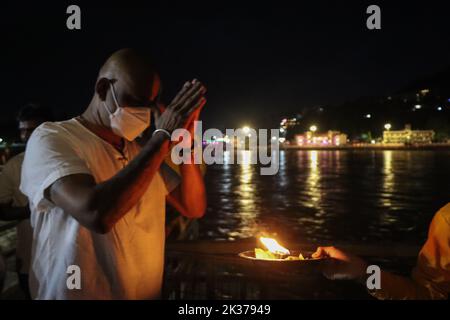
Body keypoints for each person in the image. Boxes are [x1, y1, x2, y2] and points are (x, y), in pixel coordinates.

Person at [20, 48, 207, 300]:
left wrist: (186, 142)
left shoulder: (138, 152)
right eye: (134, 101)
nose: (144, 113)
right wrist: (161, 137)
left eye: (149, 104)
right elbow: (96, 214)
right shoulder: (52, 139)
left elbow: (192, 206)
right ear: (102, 89)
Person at [313, 203, 450, 299]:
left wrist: (364, 274)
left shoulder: (447, 220)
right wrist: (364, 273)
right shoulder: (446, 221)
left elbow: (428, 295)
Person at [0, 103, 52, 299]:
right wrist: (35, 209)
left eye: (33, 129)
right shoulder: (13, 166)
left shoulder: (71, 159)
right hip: (29, 259)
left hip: (68, 259)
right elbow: (2, 211)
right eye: (23, 131)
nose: (27, 136)